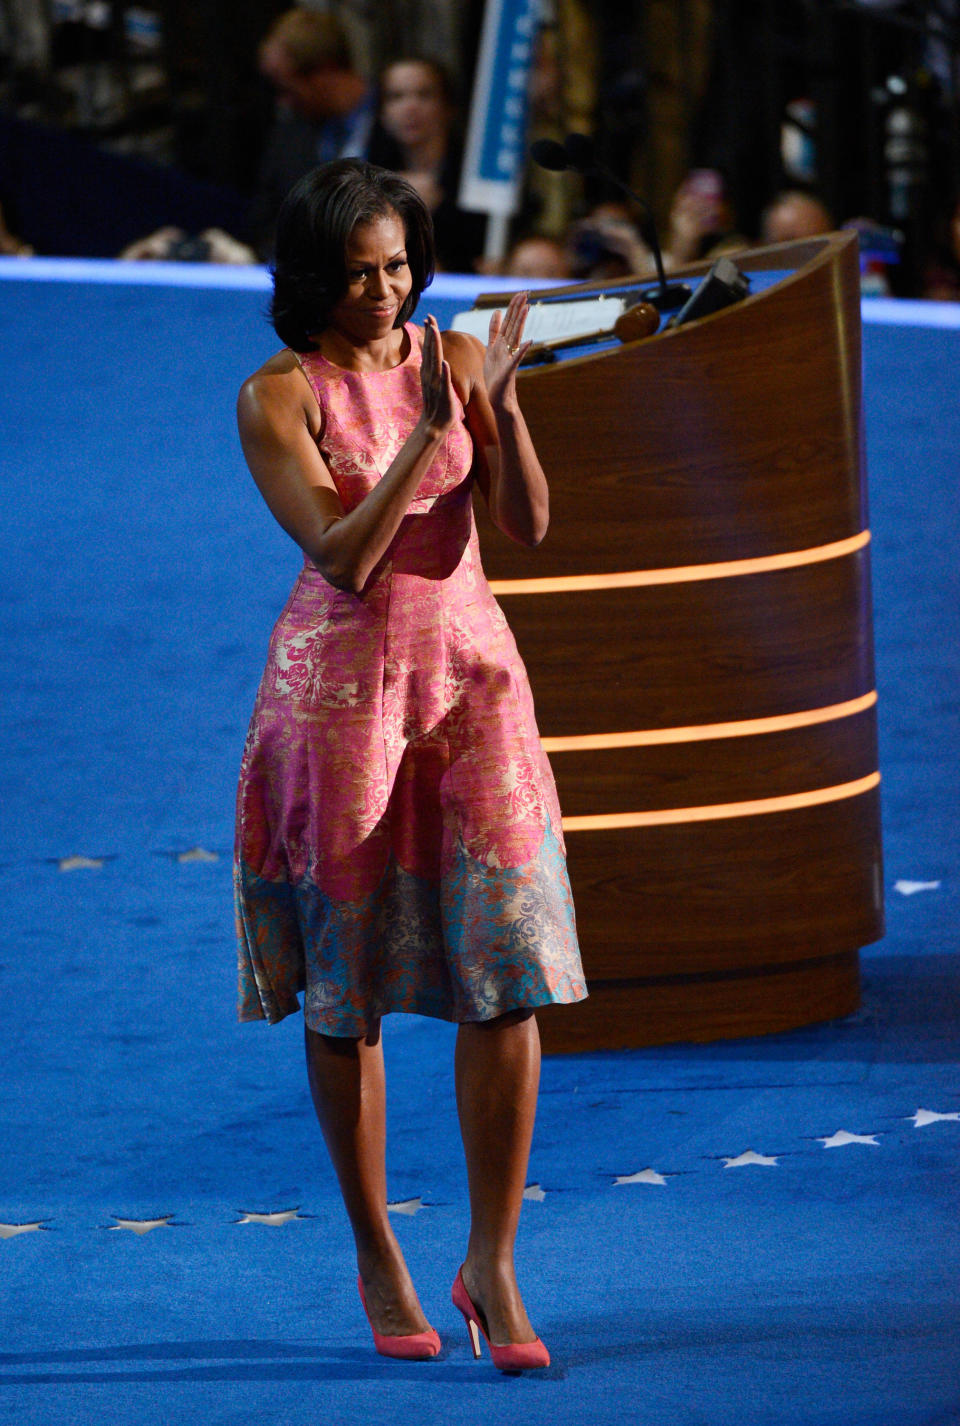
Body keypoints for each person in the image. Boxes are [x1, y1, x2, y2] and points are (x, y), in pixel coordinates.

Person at [233, 159, 587, 1368]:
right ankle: (380, 1251)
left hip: (475, 682)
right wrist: (428, 428)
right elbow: (344, 557)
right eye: (357, 272)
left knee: (514, 964)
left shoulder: (462, 358)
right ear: (312, 279)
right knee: (350, 987)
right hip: (340, 702)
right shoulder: (278, 395)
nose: (384, 291)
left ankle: (491, 1257)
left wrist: (502, 407)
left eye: (396, 265)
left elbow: (528, 523)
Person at [247, 10, 376, 258]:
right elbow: (263, 225)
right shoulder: (287, 138)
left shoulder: (399, 121)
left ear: (325, 73)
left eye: (287, 88)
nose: (283, 102)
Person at [368, 56, 486, 273]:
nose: (410, 107)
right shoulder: (369, 179)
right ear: (382, 113)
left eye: (424, 95)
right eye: (396, 97)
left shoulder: (479, 176)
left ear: (448, 106)